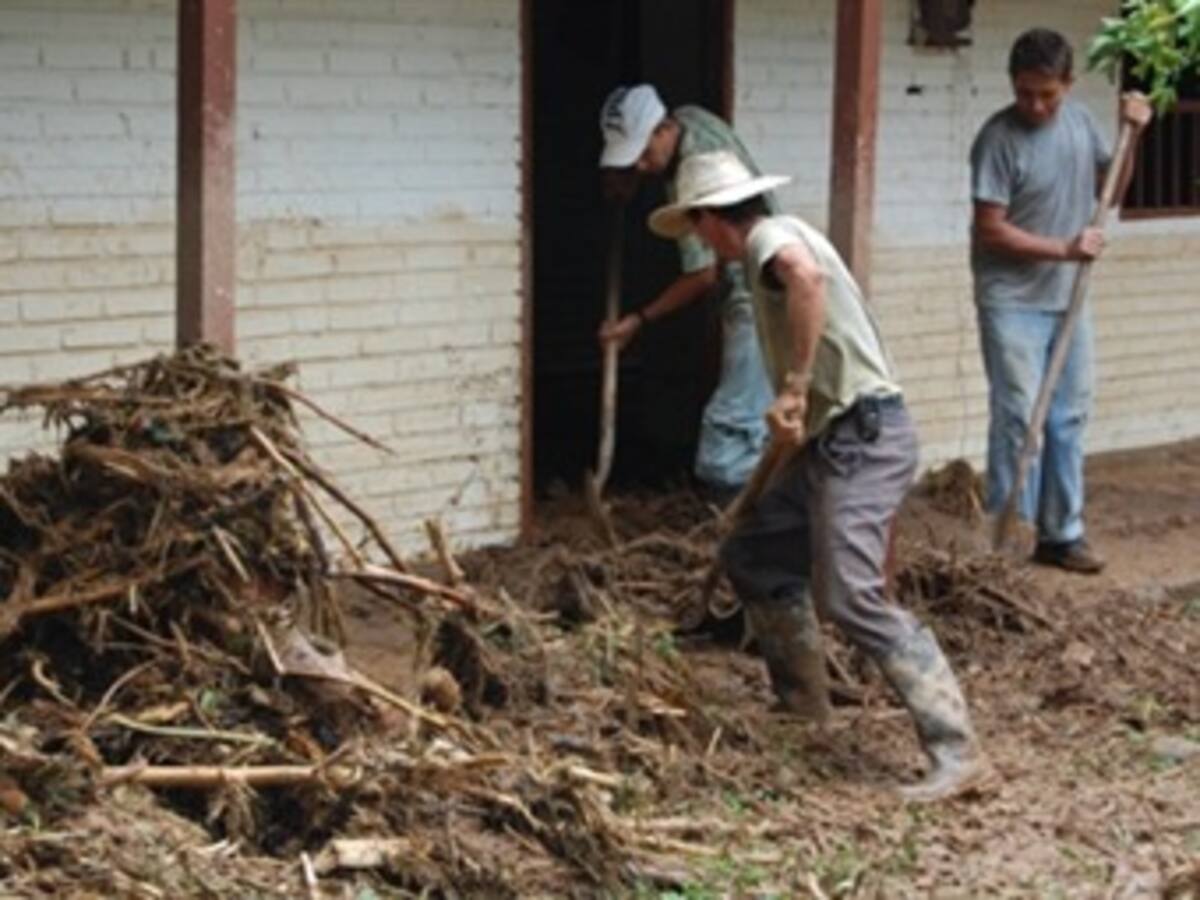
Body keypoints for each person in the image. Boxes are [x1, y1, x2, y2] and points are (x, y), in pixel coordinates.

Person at [647, 150, 987, 802]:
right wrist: (777, 460)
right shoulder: (767, 252)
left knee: (850, 594)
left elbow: (806, 282)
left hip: (867, 438)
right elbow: (796, 409)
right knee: (754, 554)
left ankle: (958, 749)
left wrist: (797, 387)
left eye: (698, 231)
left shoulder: (773, 240)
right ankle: (803, 706)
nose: (703, 246)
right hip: (830, 444)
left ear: (711, 221)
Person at [970, 28, 1151, 573]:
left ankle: (1061, 534)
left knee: (1068, 416)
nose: (1035, 105)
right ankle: (1007, 540)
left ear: (1068, 84)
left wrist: (1132, 134)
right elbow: (990, 230)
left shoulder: (1079, 124)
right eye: (1025, 93)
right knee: (1018, 418)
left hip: (1066, 297)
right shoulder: (997, 139)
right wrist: (1064, 248)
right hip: (1011, 301)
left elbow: (1112, 192)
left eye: (1047, 94)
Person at [597, 84, 775, 503]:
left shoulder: (692, 175)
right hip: (763, 284)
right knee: (754, 424)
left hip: (754, 297)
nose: (641, 168)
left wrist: (636, 322)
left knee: (729, 434)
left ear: (662, 130)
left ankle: (736, 535)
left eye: (642, 154)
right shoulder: (692, 116)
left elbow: (702, 276)